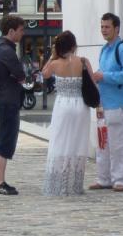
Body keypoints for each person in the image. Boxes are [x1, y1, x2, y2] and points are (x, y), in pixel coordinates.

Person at [41, 31, 95, 196]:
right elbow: (92, 82)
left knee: (60, 141)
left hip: (63, 105)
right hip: (80, 105)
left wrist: (52, 56)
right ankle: (75, 185)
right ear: (74, 46)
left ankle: (59, 184)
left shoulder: (56, 63)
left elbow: (44, 74)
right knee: (77, 142)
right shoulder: (83, 62)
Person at [90, 13, 123, 192]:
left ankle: (121, 180)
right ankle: (104, 178)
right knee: (102, 143)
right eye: (102, 27)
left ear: (116, 28)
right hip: (103, 104)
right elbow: (104, 71)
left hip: (117, 104)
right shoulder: (104, 49)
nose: (103, 30)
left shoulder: (122, 48)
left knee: (119, 144)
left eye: (107, 27)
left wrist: (104, 76)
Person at [0, 15, 26, 196]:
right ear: (11, 31)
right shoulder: (7, 51)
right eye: (20, 30)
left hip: (1, 99)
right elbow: (20, 74)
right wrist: (20, 75)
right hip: (8, 100)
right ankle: (0, 182)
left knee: (0, 140)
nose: (22, 33)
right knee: (5, 141)